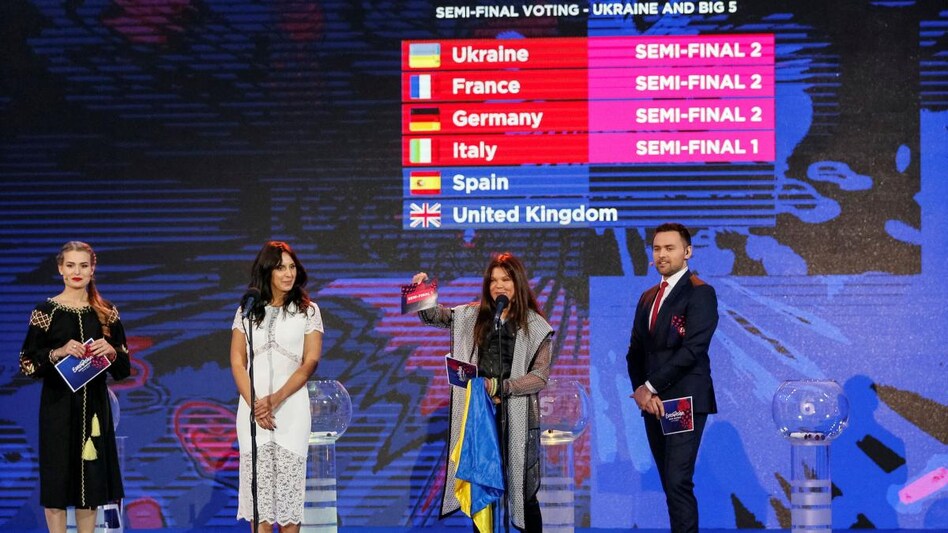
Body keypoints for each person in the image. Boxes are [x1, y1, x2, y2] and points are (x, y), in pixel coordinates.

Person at [414, 252, 554, 533]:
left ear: (519, 283)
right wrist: (421, 291)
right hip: (481, 418)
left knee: (524, 495)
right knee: (482, 492)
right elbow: (434, 317)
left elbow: (540, 377)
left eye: (506, 279)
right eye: (493, 280)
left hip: (518, 419)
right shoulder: (471, 315)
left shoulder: (536, 325)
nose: (499, 286)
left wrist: (502, 387)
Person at [18, 241, 131, 533]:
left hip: (94, 410)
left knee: (90, 491)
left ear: (93, 269)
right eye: (70, 265)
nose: (77, 271)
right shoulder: (46, 311)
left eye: (83, 265)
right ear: (60, 269)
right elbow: (27, 364)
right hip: (57, 408)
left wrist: (112, 351)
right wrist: (58, 351)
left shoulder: (107, 313)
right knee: (57, 488)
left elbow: (123, 370)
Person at [625, 223, 719, 533]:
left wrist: (649, 387)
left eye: (670, 248)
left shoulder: (700, 292)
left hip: (684, 399)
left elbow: (692, 350)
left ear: (687, 251)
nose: (662, 254)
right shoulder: (648, 296)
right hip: (652, 402)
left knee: (678, 480)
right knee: (668, 480)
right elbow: (635, 352)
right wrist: (642, 392)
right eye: (657, 248)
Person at [230, 241, 324, 533]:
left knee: (288, 504)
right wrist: (256, 403)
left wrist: (274, 400)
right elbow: (236, 360)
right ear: (267, 271)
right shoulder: (247, 310)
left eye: (292, 266)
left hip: (291, 411)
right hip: (252, 413)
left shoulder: (307, 311)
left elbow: (310, 361)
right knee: (260, 506)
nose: (288, 273)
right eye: (281, 267)